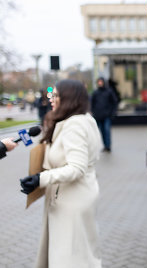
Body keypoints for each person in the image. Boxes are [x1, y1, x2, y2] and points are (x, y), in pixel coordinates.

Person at [19, 79, 102, 267]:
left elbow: (77, 168)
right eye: (51, 95)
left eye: (55, 95)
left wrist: (40, 178)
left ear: (68, 98)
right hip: (73, 197)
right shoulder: (82, 120)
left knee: (71, 259)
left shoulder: (75, 125)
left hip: (72, 200)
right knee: (76, 255)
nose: (51, 99)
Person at [91, 77, 118, 152]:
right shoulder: (95, 93)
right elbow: (92, 103)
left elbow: (114, 102)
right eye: (98, 82)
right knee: (102, 131)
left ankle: (108, 146)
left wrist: (112, 112)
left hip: (107, 116)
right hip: (98, 116)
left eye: (101, 82)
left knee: (107, 131)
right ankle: (105, 146)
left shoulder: (109, 92)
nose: (100, 83)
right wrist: (93, 113)